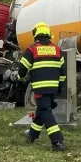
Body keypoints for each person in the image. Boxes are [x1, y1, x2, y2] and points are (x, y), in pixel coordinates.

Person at [18, 22, 67, 152]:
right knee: (41, 111)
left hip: (40, 88)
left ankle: (57, 141)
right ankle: (32, 135)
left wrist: (19, 77)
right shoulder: (57, 49)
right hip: (53, 89)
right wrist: (59, 87)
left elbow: (22, 69)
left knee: (46, 112)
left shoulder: (32, 49)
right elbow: (63, 72)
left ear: (36, 35)